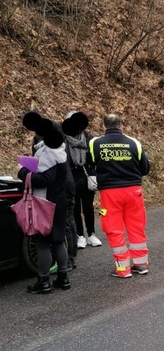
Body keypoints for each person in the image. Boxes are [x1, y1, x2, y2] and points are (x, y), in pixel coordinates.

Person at [88, 113, 151, 278]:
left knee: (113, 228)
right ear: (121, 125)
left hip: (109, 194)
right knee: (136, 226)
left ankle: (123, 269)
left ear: (104, 126)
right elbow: (145, 168)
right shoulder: (134, 143)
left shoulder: (95, 143)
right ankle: (141, 264)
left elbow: (90, 164)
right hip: (134, 192)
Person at [19, 112, 71, 293]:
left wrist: (23, 172)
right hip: (59, 201)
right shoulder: (61, 152)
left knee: (41, 242)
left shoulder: (48, 155)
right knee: (58, 240)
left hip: (45, 203)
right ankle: (63, 277)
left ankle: (43, 281)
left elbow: (44, 179)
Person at [62, 111, 102, 249]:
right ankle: (80, 236)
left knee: (88, 207)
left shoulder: (89, 138)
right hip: (71, 179)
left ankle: (91, 234)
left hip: (87, 178)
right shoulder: (63, 140)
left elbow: (95, 157)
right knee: (75, 209)